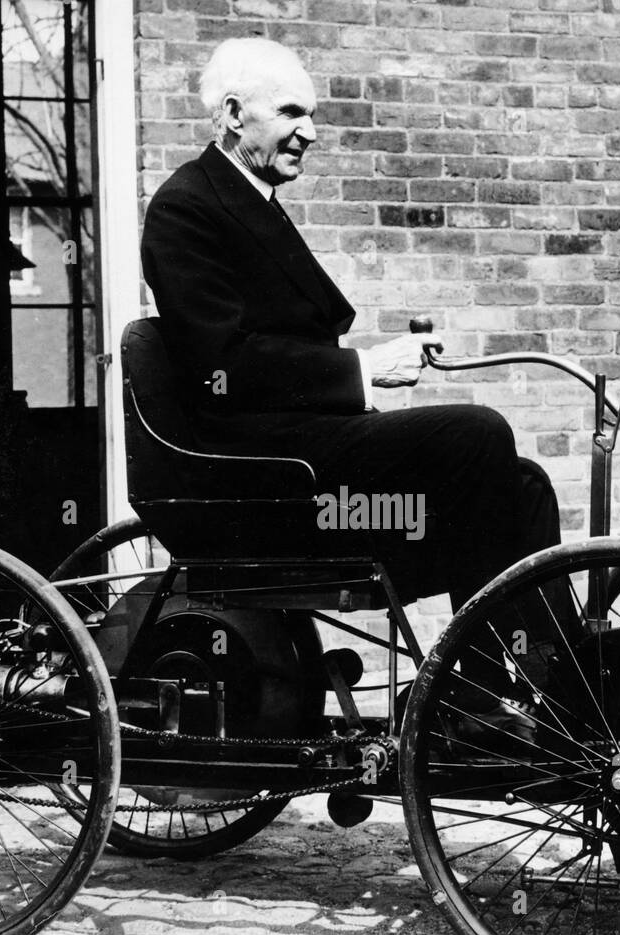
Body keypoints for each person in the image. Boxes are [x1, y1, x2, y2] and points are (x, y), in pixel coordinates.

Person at [141, 38, 566, 741]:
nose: (309, 130)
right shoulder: (187, 207)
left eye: (310, 113)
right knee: (477, 433)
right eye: (291, 112)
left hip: (300, 455)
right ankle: (469, 694)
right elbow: (223, 368)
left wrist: (360, 374)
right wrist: (361, 372)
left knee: (521, 483)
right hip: (261, 479)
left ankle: (563, 684)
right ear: (234, 114)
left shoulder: (252, 201)